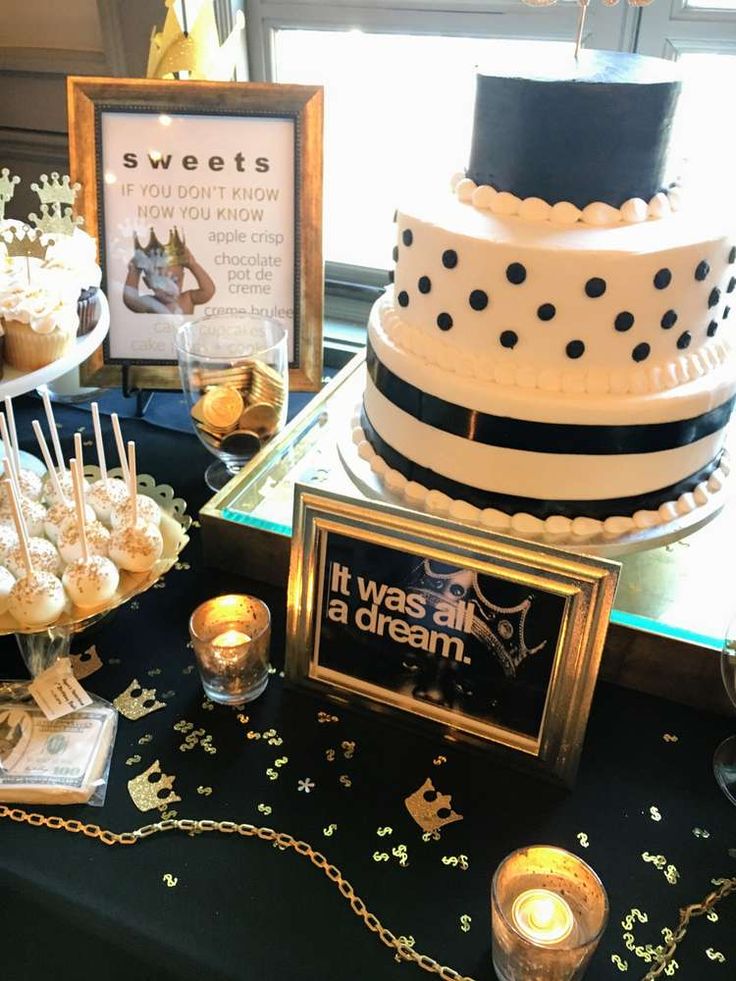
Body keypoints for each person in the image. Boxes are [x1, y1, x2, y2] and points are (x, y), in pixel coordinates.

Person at [123, 243, 215, 314]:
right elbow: (131, 301)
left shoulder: (187, 299)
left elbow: (208, 291)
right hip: (157, 339)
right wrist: (134, 272)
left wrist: (193, 265)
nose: (169, 288)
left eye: (175, 281)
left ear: (183, 277)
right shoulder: (151, 303)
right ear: (148, 283)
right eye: (160, 282)